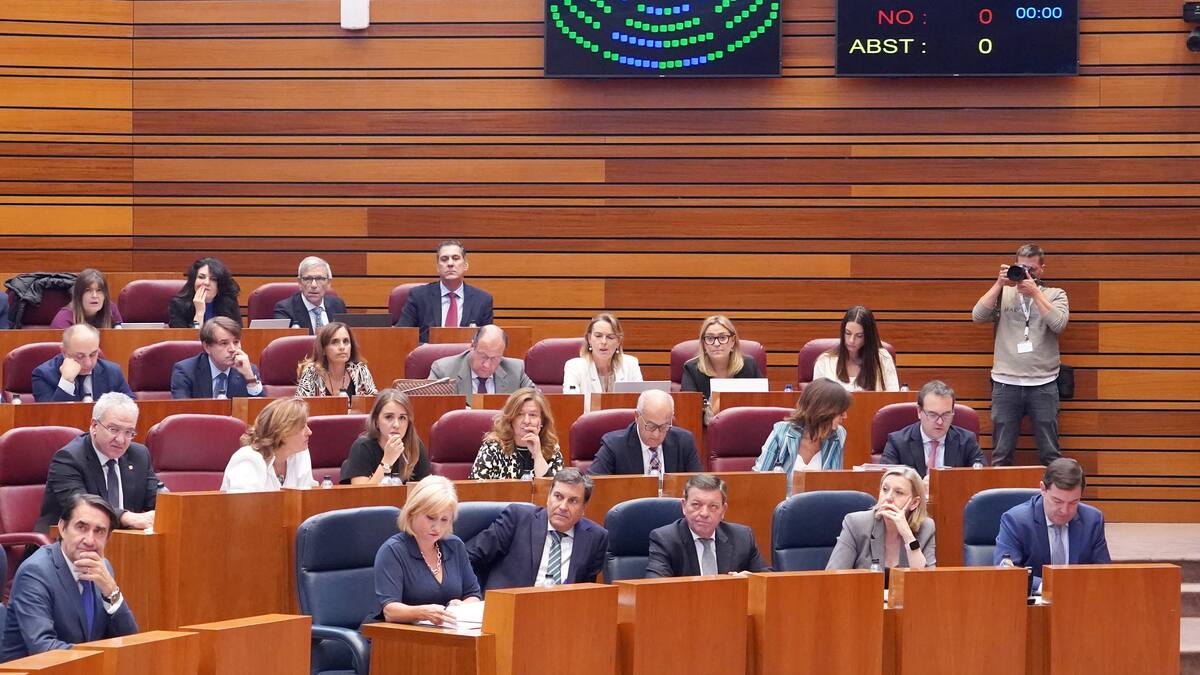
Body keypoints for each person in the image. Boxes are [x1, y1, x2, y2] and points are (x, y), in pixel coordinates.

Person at [0, 494, 138, 661]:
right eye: (81, 527)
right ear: (62, 528)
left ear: (108, 538)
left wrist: (111, 591)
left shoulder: (103, 568)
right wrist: (102, 660)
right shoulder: (36, 572)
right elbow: (44, 649)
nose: (90, 540)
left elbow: (130, 641)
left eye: (99, 531)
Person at [972, 243, 1069, 466]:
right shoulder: (1004, 293)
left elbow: (1058, 324)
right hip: (1005, 383)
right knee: (1001, 454)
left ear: (1042, 269)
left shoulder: (1054, 294)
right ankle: (997, 499)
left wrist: (1035, 292)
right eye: (1022, 268)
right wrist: (999, 283)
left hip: (1044, 384)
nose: (1026, 273)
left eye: (1032, 269)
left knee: (1050, 453)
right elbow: (977, 316)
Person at [35, 392, 158, 533]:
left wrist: (166, 509)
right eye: (114, 429)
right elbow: (82, 509)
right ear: (94, 426)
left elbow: (157, 500)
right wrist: (127, 517)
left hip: (124, 543)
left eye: (129, 432)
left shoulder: (139, 455)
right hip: (66, 543)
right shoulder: (69, 458)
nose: (121, 440)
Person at [467, 468, 608, 589]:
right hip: (509, 610)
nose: (563, 507)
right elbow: (467, 558)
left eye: (573, 501)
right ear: (548, 497)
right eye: (558, 496)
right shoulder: (517, 518)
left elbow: (586, 592)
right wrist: (471, 595)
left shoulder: (595, 538)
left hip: (562, 613)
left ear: (584, 508)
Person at [374, 476, 482, 625]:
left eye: (444, 520)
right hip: (401, 637)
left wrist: (463, 606)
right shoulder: (393, 550)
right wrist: (423, 613)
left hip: (448, 634)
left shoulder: (455, 546)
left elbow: (473, 595)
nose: (437, 527)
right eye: (431, 517)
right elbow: (390, 611)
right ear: (412, 511)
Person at [994, 458, 1110, 587]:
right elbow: (1008, 573)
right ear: (1043, 489)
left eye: (1073, 502)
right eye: (1058, 501)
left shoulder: (1092, 520)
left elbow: (1102, 573)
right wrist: (1051, 587)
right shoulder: (1016, 521)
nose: (1065, 511)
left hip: (1079, 601)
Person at [646, 474, 770, 577]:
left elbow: (769, 579)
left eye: (713, 506)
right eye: (696, 505)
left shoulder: (742, 537)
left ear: (723, 510)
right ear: (684, 506)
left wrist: (752, 580)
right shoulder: (665, 539)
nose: (704, 513)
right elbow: (656, 587)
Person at [826, 466, 936, 570]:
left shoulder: (926, 527)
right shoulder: (856, 524)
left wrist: (908, 535)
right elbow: (834, 577)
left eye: (899, 492)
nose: (888, 498)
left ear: (914, 503)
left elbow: (926, 581)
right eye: (885, 489)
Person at [752, 378, 850, 490]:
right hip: (782, 505)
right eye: (841, 412)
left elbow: (834, 485)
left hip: (821, 504)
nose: (845, 416)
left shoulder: (838, 434)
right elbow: (759, 480)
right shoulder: (782, 432)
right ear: (822, 411)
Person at [396, 240, 494, 343]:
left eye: (455, 258)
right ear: (438, 267)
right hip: (428, 356)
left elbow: (487, 341)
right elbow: (402, 336)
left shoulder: (483, 300)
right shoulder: (418, 296)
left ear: (465, 265)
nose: (450, 264)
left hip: (465, 357)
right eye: (444, 259)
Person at [587, 389, 702, 476]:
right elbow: (593, 484)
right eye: (651, 426)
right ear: (637, 417)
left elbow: (699, 486)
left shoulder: (684, 441)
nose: (656, 434)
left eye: (664, 426)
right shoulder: (614, 446)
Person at [881, 380, 985, 476]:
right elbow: (887, 481)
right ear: (919, 412)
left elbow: (981, 479)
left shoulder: (967, 441)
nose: (940, 422)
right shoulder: (897, 443)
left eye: (946, 415)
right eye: (933, 415)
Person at [220, 397, 316, 492]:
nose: (310, 432)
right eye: (302, 426)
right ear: (283, 431)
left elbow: (307, 499)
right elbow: (243, 506)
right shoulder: (248, 459)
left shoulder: (300, 453)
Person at [468, 388, 564, 480]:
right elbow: (476, 490)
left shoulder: (551, 449)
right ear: (510, 418)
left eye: (533, 415)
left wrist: (538, 455)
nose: (527, 421)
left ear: (542, 420)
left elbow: (554, 492)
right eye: (520, 414)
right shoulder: (493, 448)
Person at [340, 389, 431, 485]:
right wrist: (387, 461)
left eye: (402, 418)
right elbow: (362, 495)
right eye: (389, 417)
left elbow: (426, 491)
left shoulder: (415, 445)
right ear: (376, 421)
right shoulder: (362, 447)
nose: (396, 425)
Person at [31, 324, 134, 403]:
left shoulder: (112, 372)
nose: (88, 363)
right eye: (80, 356)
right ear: (64, 352)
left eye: (93, 354)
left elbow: (131, 407)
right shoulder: (43, 375)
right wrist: (66, 381)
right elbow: (50, 418)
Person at [429, 324, 534, 399]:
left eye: (495, 358)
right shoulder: (443, 371)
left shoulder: (518, 370)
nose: (487, 365)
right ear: (472, 346)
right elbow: (432, 408)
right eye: (483, 356)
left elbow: (537, 403)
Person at [170, 317, 264, 399]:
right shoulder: (185, 372)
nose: (232, 349)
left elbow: (260, 412)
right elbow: (182, 412)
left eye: (236, 342)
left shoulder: (249, 370)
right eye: (224, 343)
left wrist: (250, 379)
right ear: (207, 347)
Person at [812, 305, 899, 392]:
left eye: (859, 336)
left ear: (868, 337)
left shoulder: (883, 358)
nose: (851, 340)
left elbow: (893, 397)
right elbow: (817, 402)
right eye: (848, 333)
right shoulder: (824, 361)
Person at [680, 315, 763, 400]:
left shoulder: (749, 365)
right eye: (710, 338)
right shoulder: (691, 369)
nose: (716, 344)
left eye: (722, 337)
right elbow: (688, 407)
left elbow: (762, 401)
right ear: (703, 343)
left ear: (733, 341)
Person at [562, 313, 643, 399]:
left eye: (610, 337)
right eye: (598, 336)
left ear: (619, 341)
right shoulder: (574, 367)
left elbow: (641, 402)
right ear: (589, 338)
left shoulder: (631, 364)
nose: (604, 342)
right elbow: (572, 403)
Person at [295, 322, 378, 398]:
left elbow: (374, 404)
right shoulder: (312, 373)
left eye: (346, 341)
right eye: (335, 342)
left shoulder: (360, 370)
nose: (342, 347)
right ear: (323, 349)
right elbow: (300, 408)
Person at [274, 256, 348, 334]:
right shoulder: (285, 310)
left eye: (319, 279)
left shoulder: (338, 305)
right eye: (308, 279)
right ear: (299, 282)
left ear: (329, 283)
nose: (314, 285)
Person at [167, 256, 241, 328]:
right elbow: (188, 339)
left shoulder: (229, 302)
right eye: (201, 277)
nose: (206, 282)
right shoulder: (178, 305)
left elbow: (237, 334)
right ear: (193, 281)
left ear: (220, 284)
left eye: (213, 279)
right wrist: (199, 313)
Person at [50, 268, 123, 329]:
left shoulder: (111, 309)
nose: (94, 295)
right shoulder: (63, 320)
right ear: (79, 294)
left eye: (99, 290)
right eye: (88, 290)